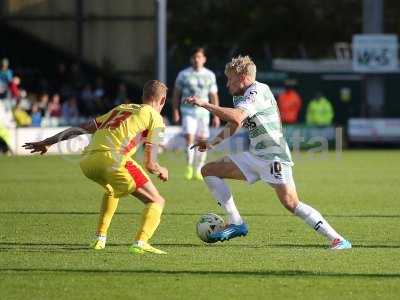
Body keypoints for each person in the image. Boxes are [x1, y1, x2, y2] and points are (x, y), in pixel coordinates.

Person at [186, 56, 351, 250]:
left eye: (230, 79)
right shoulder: (240, 95)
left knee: (291, 203)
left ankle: (338, 240)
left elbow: (237, 116)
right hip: (255, 154)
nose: (227, 83)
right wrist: (213, 143)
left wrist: (206, 104)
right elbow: (235, 123)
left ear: (242, 77)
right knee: (209, 170)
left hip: (274, 157)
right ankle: (236, 222)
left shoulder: (258, 91)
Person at [23, 80, 169, 255]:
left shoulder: (122, 108)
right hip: (113, 159)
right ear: (162, 101)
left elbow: (83, 127)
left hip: (88, 161)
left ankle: (99, 239)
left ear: (143, 96)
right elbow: (150, 164)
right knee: (156, 200)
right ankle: (141, 242)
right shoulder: (156, 118)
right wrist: (161, 169)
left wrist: (48, 142)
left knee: (112, 190)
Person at [172, 47, 220, 180]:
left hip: (204, 113)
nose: (196, 60)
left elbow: (213, 95)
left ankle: (199, 169)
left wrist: (216, 114)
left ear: (204, 59)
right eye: (194, 57)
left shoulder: (210, 75)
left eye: (199, 57)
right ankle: (189, 167)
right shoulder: (183, 75)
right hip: (188, 111)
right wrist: (175, 111)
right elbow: (176, 94)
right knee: (189, 138)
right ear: (191, 59)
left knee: (203, 141)